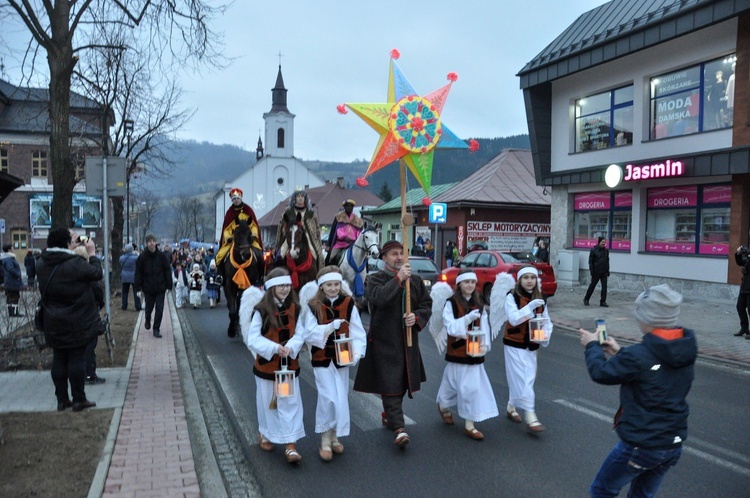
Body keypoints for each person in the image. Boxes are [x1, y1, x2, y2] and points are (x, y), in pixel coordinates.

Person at [578, 284, 696, 497]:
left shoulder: (639, 355)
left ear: (648, 318)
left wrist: (592, 346)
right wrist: (619, 352)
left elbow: (601, 373)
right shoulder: (683, 347)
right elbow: (655, 370)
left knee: (602, 490)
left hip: (642, 445)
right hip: (672, 443)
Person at [353, 240, 432, 448]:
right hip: (384, 341)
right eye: (394, 254)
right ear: (384, 258)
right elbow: (379, 298)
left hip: (407, 341)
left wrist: (416, 317)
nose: (399, 257)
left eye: (401, 253)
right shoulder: (374, 279)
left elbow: (426, 304)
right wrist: (398, 279)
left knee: (402, 382)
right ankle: (399, 428)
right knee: (390, 384)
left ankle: (389, 415)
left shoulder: (414, 280)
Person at [240, 267, 307, 464]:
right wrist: (274, 348)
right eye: (280, 286)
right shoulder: (261, 311)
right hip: (267, 367)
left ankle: (290, 443)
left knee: (289, 402)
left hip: (287, 367)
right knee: (268, 403)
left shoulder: (296, 308)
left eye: (287, 285)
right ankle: (266, 433)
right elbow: (253, 338)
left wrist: (291, 346)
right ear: (271, 288)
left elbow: (301, 332)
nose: (285, 289)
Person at [301, 266, 367, 461]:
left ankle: (335, 436)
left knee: (341, 396)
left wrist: (358, 351)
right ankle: (325, 439)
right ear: (322, 286)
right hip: (322, 358)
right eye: (329, 285)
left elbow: (357, 329)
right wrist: (329, 327)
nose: (333, 288)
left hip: (343, 356)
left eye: (336, 284)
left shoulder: (348, 303)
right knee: (328, 397)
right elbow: (309, 333)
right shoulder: (314, 306)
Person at [36, 228, 102, 412]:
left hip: (52, 320)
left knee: (59, 359)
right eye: (74, 238)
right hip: (76, 320)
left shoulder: (41, 263)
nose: (77, 241)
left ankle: (62, 400)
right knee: (76, 359)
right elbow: (97, 273)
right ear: (67, 243)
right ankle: (79, 399)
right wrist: (92, 253)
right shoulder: (75, 264)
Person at [434, 269, 499, 440]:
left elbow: (484, 324)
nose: (470, 285)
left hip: (474, 352)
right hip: (457, 350)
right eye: (466, 282)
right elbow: (451, 327)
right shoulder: (451, 303)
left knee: (471, 388)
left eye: (472, 282)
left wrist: (485, 344)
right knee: (451, 383)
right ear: (459, 284)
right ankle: (443, 404)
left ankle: (469, 424)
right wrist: (467, 319)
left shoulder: (479, 302)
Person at [502, 266, 551, 432]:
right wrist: (530, 308)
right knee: (524, 378)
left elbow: (547, 321)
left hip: (531, 345)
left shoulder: (540, 298)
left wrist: (544, 335)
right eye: (526, 277)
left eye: (532, 277)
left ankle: (511, 406)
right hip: (514, 343)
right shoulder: (512, 297)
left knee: (526, 376)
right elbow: (514, 319)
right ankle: (531, 415)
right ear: (520, 280)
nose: (530, 281)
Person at [72, 245, 106, 384]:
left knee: (78, 347)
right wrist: (100, 303)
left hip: (73, 315)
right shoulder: (87, 273)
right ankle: (89, 375)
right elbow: (97, 290)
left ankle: (78, 374)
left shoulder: (70, 272)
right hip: (87, 314)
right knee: (89, 345)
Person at [216, 188, 263, 281]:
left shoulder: (248, 210)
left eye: (237, 198)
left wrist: (253, 235)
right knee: (220, 256)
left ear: (241, 198)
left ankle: (260, 276)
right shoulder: (230, 213)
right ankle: (221, 276)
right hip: (234, 240)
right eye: (234, 199)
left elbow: (254, 226)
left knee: (260, 255)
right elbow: (226, 229)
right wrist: (228, 237)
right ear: (232, 200)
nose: (236, 200)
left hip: (248, 239)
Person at [134, 233, 173, 338]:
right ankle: (147, 319)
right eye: (150, 241)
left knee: (159, 309)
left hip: (160, 287)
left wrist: (169, 285)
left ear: (156, 243)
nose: (152, 243)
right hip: (148, 288)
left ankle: (156, 329)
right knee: (149, 308)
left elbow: (167, 271)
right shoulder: (142, 258)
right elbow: (138, 273)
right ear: (147, 243)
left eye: (153, 241)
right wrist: (137, 288)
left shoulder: (162, 256)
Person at [275, 189, 324, 268]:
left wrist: (318, 244)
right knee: (280, 255)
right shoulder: (287, 213)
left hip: (308, 237)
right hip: (291, 236)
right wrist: (278, 244)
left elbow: (317, 230)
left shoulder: (311, 214)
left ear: (305, 199)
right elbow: (280, 230)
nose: (300, 198)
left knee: (317, 255)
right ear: (295, 198)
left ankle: (318, 272)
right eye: (298, 196)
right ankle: (278, 270)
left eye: (302, 196)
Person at [325, 199, 364, 266]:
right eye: (347, 206)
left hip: (353, 244)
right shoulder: (339, 217)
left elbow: (359, 232)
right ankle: (331, 271)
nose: (349, 208)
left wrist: (354, 239)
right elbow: (334, 231)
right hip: (340, 244)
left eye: (350, 206)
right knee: (331, 257)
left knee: (363, 258)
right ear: (344, 207)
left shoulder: (357, 220)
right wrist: (344, 237)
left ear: (352, 208)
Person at [584, 236, 610, 307]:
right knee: (592, 286)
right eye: (602, 242)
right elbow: (590, 261)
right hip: (596, 271)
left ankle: (603, 301)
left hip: (604, 271)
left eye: (604, 242)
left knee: (604, 287)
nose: (603, 244)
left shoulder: (606, 251)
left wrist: (608, 270)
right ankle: (586, 299)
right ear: (599, 242)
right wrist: (592, 271)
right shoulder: (594, 250)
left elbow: (607, 261)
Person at [1, 244, 24, 316]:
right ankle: (14, 313)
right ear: (9, 249)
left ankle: (12, 312)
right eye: (12, 248)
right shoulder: (9, 259)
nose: (13, 249)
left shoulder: (7, 258)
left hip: (10, 281)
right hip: (12, 281)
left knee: (11, 296)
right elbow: (10, 269)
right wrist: (18, 274)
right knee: (14, 296)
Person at [733, 244, 750, 338]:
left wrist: (748, 253)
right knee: (740, 307)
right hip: (744, 287)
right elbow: (740, 262)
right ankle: (744, 328)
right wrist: (739, 253)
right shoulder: (748, 257)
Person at [119, 244, 141, 311]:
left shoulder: (121, 258)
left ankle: (124, 306)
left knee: (125, 292)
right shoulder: (135, 258)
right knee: (136, 291)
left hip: (124, 276)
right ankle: (138, 306)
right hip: (133, 276)